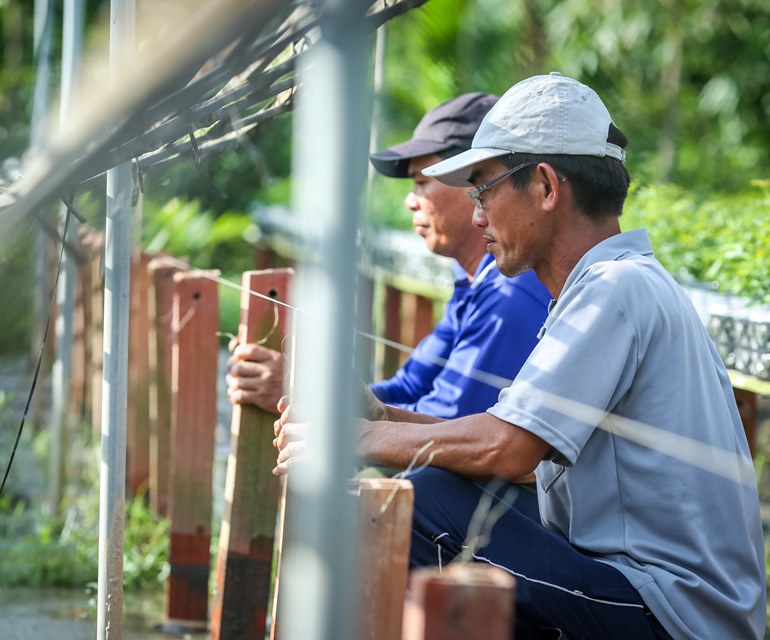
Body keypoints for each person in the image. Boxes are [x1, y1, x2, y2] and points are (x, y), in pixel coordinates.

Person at [274, 73, 766, 639]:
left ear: (547, 187)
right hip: (639, 596)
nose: (477, 213)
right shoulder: (604, 288)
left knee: (421, 505)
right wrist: (383, 420)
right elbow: (529, 460)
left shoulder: (615, 288)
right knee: (443, 493)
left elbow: (508, 448)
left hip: (671, 616)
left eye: (483, 188)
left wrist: (354, 441)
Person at [227, 93, 551, 420]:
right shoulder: (474, 280)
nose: (411, 201)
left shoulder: (511, 289)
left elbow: (449, 424)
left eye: (422, 182)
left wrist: (315, 405)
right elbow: (409, 388)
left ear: (474, 183)